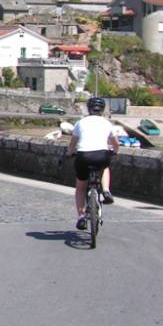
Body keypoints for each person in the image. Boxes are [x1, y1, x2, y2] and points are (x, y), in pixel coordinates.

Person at [65, 97, 119, 231]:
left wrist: (71, 153)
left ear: (89, 108)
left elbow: (72, 144)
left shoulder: (80, 123)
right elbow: (115, 143)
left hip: (83, 156)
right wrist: (115, 151)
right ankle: (106, 191)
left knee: (81, 188)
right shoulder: (107, 123)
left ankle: (81, 217)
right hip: (101, 155)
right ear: (102, 109)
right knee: (105, 167)